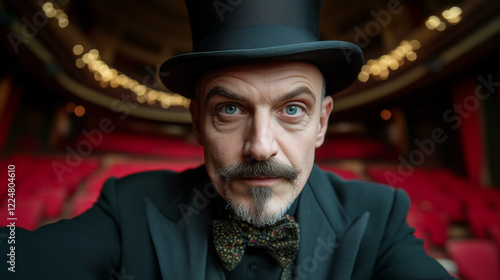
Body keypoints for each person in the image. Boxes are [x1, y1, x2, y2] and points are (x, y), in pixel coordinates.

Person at [1, 0, 456, 279]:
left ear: (321, 123)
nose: (260, 146)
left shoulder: (379, 218)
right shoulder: (128, 207)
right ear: (198, 121)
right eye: (230, 109)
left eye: (292, 109)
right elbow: (25, 261)